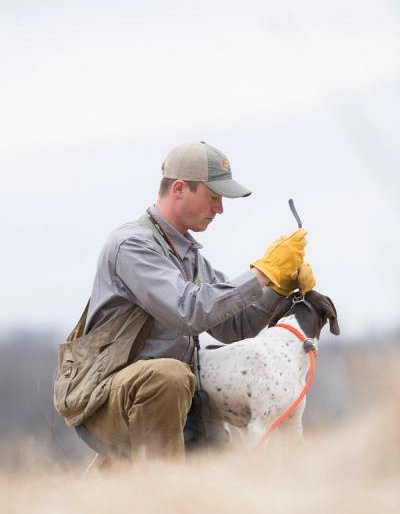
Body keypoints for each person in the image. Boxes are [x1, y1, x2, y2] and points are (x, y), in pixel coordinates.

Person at [54, 141, 315, 462]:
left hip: (174, 397)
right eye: (214, 197)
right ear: (179, 188)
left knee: (228, 475)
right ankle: (162, 489)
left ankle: (113, 486)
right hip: (106, 398)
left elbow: (235, 325)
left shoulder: (189, 255)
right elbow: (189, 311)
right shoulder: (132, 246)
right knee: (168, 377)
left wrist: (279, 286)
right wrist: (262, 273)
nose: (220, 208)